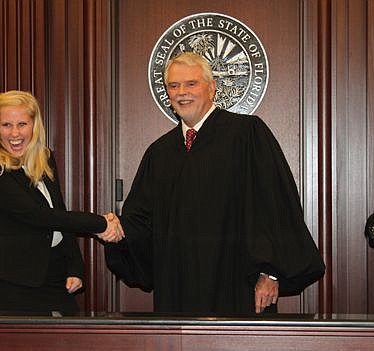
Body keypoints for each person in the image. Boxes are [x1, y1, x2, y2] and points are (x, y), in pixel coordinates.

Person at [104, 52, 325, 315]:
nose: (182, 92)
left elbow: (276, 207)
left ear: (212, 87)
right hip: (178, 292)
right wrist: (116, 229)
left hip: (239, 288)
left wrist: (271, 273)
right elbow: (142, 220)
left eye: (191, 84)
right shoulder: (159, 153)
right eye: (173, 86)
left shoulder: (247, 135)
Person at [0, 90, 123, 313]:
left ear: (35, 126)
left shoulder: (44, 159)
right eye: (6, 125)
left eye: (22, 124)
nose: (15, 133)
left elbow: (58, 213)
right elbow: (38, 216)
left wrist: (75, 267)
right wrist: (99, 223)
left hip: (54, 277)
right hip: (13, 283)